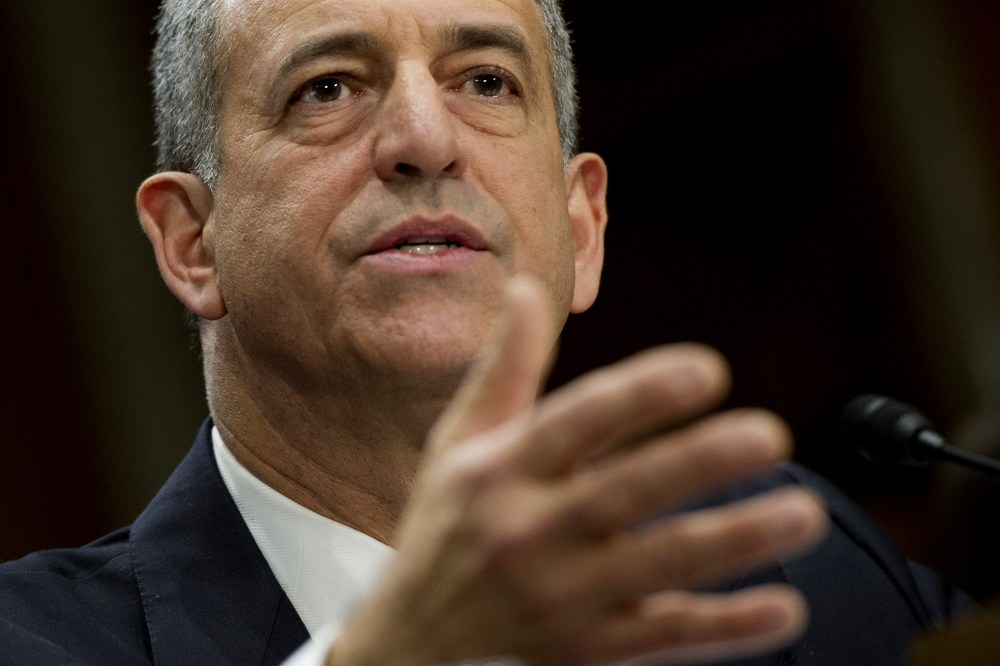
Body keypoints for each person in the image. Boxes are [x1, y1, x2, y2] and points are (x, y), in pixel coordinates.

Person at [0, 0, 974, 663]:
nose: (425, 138)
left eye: (488, 82)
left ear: (580, 228)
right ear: (191, 244)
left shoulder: (792, 558)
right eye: (327, 88)